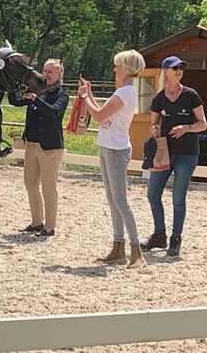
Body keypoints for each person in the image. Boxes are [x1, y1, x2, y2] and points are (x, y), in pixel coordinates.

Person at [78, 50, 147, 269]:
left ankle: (136, 250)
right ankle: (118, 247)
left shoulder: (125, 93)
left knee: (121, 202)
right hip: (109, 147)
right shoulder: (123, 92)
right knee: (113, 200)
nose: (114, 69)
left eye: (117, 66)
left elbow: (98, 116)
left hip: (116, 150)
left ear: (126, 68)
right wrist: (89, 94)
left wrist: (84, 98)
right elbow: (103, 112)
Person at [141, 55, 207, 257]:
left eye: (181, 67)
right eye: (174, 67)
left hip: (187, 154)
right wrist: (155, 129)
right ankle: (159, 234)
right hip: (164, 153)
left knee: (178, 197)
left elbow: (203, 124)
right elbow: (154, 124)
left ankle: (175, 239)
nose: (179, 70)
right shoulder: (158, 98)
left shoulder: (191, 95)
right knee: (153, 194)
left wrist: (186, 128)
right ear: (166, 72)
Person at [8, 59, 69, 238]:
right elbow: (15, 102)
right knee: (30, 184)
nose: (46, 74)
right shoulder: (37, 91)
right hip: (32, 144)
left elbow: (53, 112)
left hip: (50, 147)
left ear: (59, 75)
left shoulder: (61, 95)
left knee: (49, 188)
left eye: (51, 72)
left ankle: (50, 227)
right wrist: (12, 86)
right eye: (45, 70)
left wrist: (35, 99)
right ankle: (37, 222)